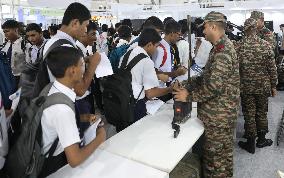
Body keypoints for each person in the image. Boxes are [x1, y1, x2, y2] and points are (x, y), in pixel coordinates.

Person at [173, 11, 240, 178]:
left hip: (219, 116)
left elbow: (213, 87)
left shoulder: (223, 52)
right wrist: (187, 83)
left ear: (213, 26)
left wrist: (186, 97)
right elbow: (206, 76)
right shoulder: (218, 47)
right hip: (221, 113)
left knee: (214, 162)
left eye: (204, 28)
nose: (202, 32)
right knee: (224, 156)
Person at [40, 46, 106, 177]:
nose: (84, 69)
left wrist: (84, 117)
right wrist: (100, 138)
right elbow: (74, 159)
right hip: (54, 166)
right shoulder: (62, 109)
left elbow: (54, 122)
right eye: (82, 64)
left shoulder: (52, 89)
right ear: (72, 70)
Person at [33, 2, 101, 98]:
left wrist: (83, 59)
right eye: (85, 25)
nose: (86, 30)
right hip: (62, 103)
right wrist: (93, 64)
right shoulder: (65, 46)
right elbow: (79, 90)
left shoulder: (54, 41)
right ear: (75, 23)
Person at [237, 18, 277, 153]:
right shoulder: (265, 45)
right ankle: (261, 139)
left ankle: (250, 142)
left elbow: (234, 68)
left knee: (249, 113)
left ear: (245, 29)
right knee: (261, 112)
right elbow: (272, 68)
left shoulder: (239, 46)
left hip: (245, 87)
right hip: (262, 87)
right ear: (256, 28)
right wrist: (273, 85)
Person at [119, 28, 173, 121]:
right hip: (135, 105)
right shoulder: (146, 60)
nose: (156, 50)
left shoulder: (127, 54)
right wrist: (170, 89)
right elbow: (151, 93)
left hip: (121, 99)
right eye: (156, 46)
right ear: (149, 45)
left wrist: (157, 76)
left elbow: (134, 74)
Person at [1, 20, 30, 87]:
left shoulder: (25, 45)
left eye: (7, 31)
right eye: (4, 32)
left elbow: (29, 64)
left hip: (20, 78)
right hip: (7, 77)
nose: (5, 34)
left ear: (16, 30)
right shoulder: (5, 44)